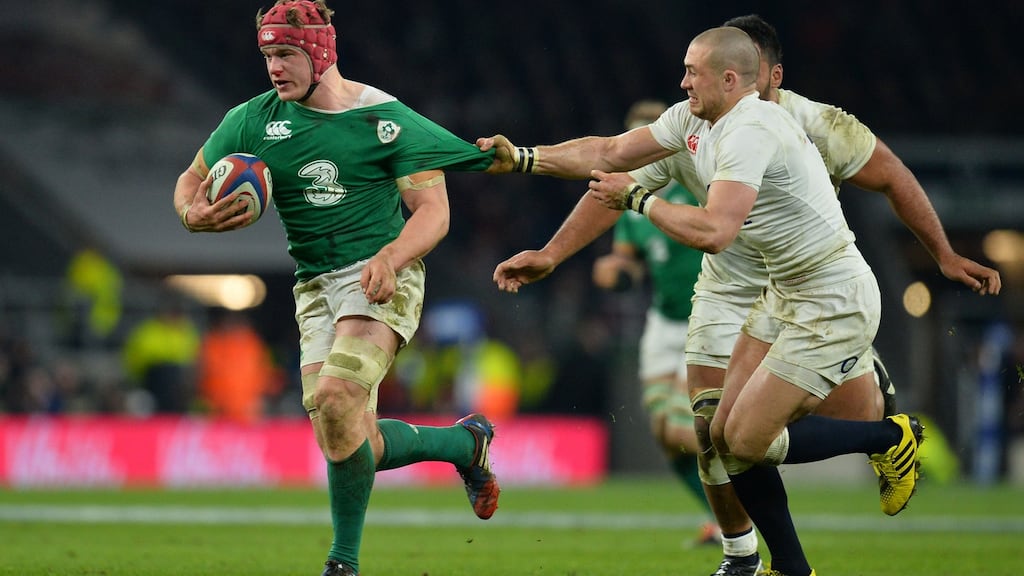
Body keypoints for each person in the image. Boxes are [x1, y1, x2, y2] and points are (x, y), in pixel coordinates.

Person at [483, 16, 1001, 576]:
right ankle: (773, 564)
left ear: (735, 79)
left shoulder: (763, 126)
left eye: (692, 73)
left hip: (829, 292)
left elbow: (714, 229)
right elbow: (609, 152)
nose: (681, 83)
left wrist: (638, 201)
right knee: (718, 434)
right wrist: (525, 159)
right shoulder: (693, 119)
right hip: (769, 287)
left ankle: (889, 435)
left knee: (748, 440)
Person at [173, 2, 502, 574]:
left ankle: (341, 563)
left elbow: (434, 211)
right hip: (314, 287)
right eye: (267, 55)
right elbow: (192, 177)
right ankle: (464, 445)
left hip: (384, 275)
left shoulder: (385, 119)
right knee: (345, 436)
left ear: (320, 52)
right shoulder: (251, 120)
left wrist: (393, 256)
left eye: (285, 54)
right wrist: (189, 212)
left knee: (337, 397)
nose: (274, 68)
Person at [591, 99, 720, 546]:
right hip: (663, 323)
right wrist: (614, 271)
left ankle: (738, 517)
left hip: (708, 320)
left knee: (689, 431)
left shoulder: (700, 184)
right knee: (666, 436)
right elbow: (629, 264)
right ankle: (720, 519)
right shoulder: (630, 204)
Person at [197, 310, 283, 424]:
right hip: (218, 411)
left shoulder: (253, 344)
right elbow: (205, 373)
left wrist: (260, 398)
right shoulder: (214, 343)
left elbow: (265, 374)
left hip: (249, 412)